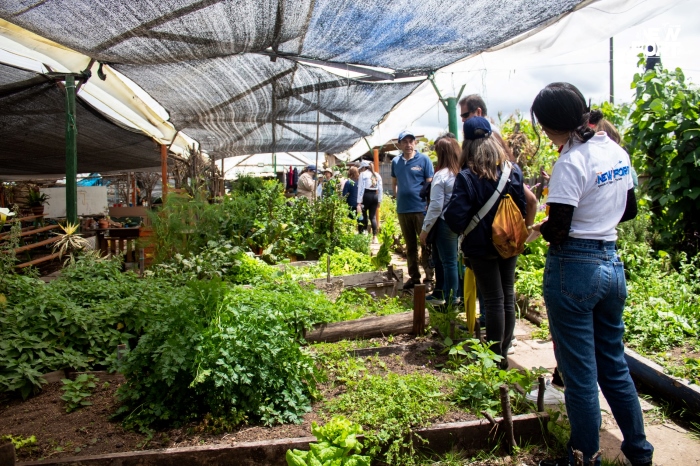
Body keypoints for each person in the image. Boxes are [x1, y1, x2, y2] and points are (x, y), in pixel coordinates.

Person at [530, 82, 653, 466]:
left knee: (580, 374)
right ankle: (639, 451)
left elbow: (561, 227)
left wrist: (538, 229)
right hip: (611, 264)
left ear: (553, 125)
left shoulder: (570, 162)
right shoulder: (615, 150)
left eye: (544, 126)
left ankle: (584, 457)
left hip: (574, 269)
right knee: (614, 365)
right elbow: (629, 210)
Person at [444, 117, 534, 366]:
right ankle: (502, 352)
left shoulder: (467, 176)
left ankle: (495, 359)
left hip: (481, 246)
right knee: (506, 296)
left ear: (467, 144)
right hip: (508, 241)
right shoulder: (512, 170)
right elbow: (523, 205)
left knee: (493, 299)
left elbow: (455, 218)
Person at [419, 136, 461, 305]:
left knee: (449, 262)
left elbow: (436, 206)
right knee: (453, 261)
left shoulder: (441, 175)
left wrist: (425, 229)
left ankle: (451, 301)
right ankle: (448, 294)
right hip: (458, 222)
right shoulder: (460, 173)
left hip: (444, 222)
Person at [392, 130, 434, 288]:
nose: (408, 145)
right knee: (410, 246)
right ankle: (414, 277)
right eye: (405, 142)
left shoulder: (424, 160)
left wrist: (428, 205)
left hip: (420, 209)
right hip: (403, 210)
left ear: (415, 143)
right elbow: (394, 182)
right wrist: (397, 197)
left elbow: (429, 184)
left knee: (425, 244)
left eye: (411, 141)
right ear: (400, 144)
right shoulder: (396, 162)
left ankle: (429, 279)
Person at [356, 160, 383, 243]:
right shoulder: (377, 175)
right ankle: (375, 237)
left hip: (366, 195)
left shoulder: (363, 174)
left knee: (363, 215)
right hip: (374, 196)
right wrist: (379, 200)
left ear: (364, 167)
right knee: (373, 217)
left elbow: (361, 188)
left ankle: (365, 233)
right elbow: (381, 189)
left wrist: (359, 202)